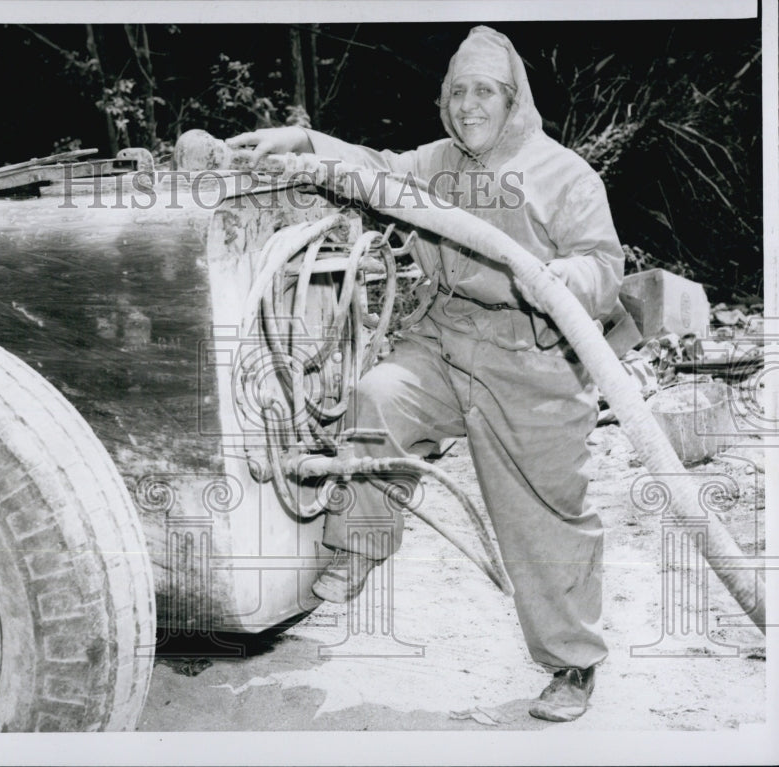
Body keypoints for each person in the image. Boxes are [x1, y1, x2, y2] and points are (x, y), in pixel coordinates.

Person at [228, 25, 623, 722]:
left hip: (532, 359)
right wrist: (304, 141)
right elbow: (371, 166)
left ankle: (572, 663)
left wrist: (565, 276)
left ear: (513, 100)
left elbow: (604, 266)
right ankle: (360, 544)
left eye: (484, 92)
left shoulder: (565, 175)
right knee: (377, 397)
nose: (469, 106)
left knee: (546, 513)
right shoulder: (435, 163)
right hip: (445, 339)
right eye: (458, 92)